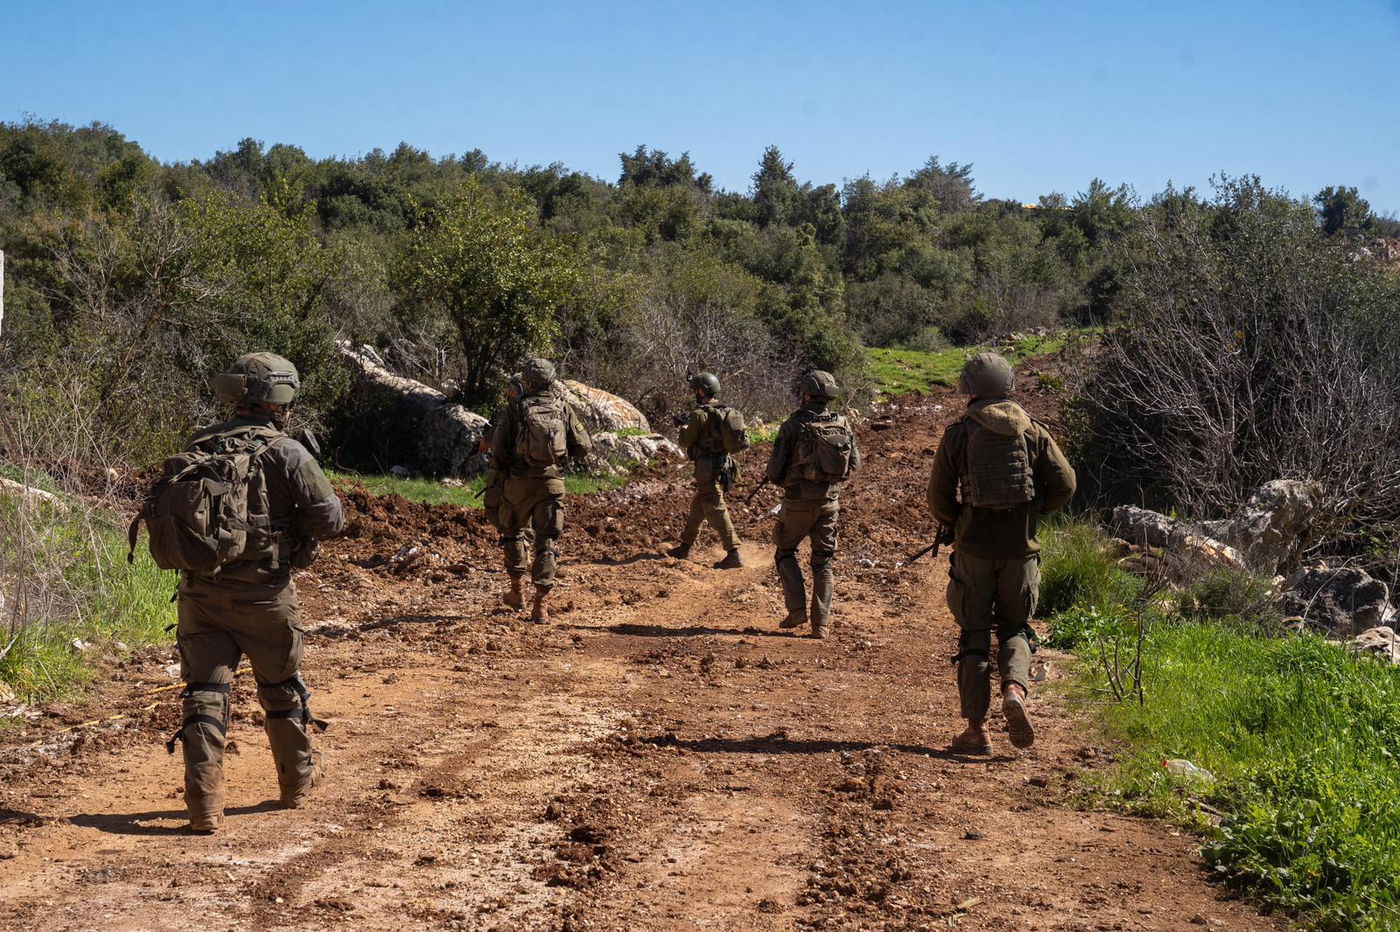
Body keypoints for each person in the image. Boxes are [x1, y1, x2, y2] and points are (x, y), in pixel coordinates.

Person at [173, 353, 344, 833]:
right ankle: (296, 784)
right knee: (281, 687)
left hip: (200, 594)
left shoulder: (199, 444)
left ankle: (204, 807)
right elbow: (331, 522)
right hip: (266, 594)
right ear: (280, 398)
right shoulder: (287, 452)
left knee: (204, 694)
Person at [927, 352, 1076, 753]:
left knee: (973, 633)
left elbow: (937, 499)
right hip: (1021, 551)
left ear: (969, 387)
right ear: (1008, 383)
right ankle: (1015, 690)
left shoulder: (958, 433)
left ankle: (977, 730)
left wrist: (960, 522)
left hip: (974, 551)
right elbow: (1065, 485)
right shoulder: (1032, 431)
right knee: (1015, 628)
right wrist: (1032, 513)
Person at [490, 355, 591, 623]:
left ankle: (517, 592)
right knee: (547, 542)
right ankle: (541, 606)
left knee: (512, 534)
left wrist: (502, 472)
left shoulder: (514, 408)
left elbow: (498, 451)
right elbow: (584, 447)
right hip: (551, 484)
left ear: (528, 381)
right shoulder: (563, 407)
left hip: (519, 483)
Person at [764, 370, 860, 639]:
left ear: (806, 394)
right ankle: (821, 625)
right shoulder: (841, 422)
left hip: (798, 503)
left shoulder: (793, 425)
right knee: (823, 562)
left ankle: (796, 611)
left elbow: (774, 471)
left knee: (785, 549)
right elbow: (854, 465)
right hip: (829, 502)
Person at [668, 372, 748, 569]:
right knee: (698, 508)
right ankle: (685, 547)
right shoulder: (725, 412)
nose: (695, 393)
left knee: (716, 508)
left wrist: (684, 428)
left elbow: (686, 441)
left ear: (702, 391)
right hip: (723, 466)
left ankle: (733, 552)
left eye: (697, 390)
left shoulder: (699, 415)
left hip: (707, 469)